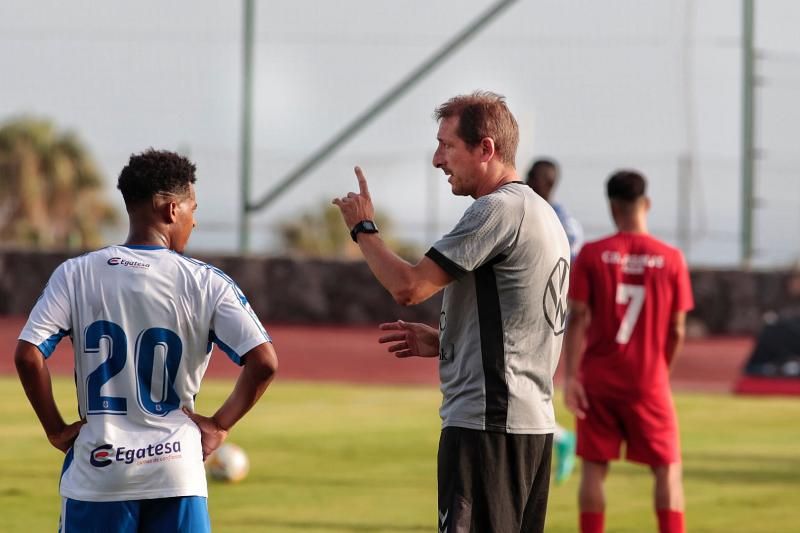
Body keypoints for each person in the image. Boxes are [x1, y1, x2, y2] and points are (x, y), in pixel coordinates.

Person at [333, 91, 570, 532]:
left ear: (486, 149)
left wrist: (363, 228)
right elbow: (524, 325)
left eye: (448, 145)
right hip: (528, 425)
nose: (438, 160)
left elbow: (410, 286)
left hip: (488, 424)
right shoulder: (541, 213)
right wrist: (448, 341)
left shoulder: (497, 209)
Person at [15, 149, 278, 532]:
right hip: (176, 472)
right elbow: (265, 361)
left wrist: (55, 429)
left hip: (98, 471)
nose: (195, 220)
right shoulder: (206, 282)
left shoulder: (75, 274)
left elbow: (27, 355)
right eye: (193, 208)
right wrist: (220, 425)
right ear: (172, 210)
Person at [562, 170, 693, 533]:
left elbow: (578, 318)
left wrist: (572, 377)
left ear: (611, 207)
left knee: (593, 468)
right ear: (646, 204)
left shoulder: (591, 254)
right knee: (667, 469)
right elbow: (678, 328)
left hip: (598, 379)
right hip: (648, 380)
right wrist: (661, 370)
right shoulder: (672, 258)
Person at [526, 157, 584, 485]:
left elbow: (572, 271)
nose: (526, 179)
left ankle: (558, 438)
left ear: (546, 182)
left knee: (529, 383)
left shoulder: (563, 222)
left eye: (533, 176)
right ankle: (558, 438)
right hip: (528, 311)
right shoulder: (523, 209)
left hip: (548, 315)